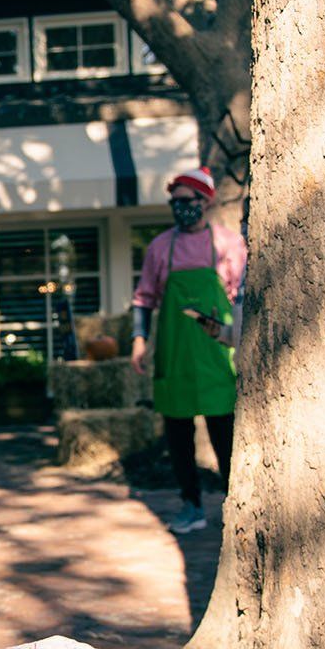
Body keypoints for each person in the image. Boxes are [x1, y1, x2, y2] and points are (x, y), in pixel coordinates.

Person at [129, 168, 246, 535]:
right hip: (174, 352)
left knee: (223, 432)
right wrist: (139, 339)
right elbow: (144, 298)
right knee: (178, 435)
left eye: (187, 201)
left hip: (216, 352)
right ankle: (191, 504)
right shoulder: (161, 246)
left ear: (205, 202)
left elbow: (241, 297)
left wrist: (236, 339)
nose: (181, 208)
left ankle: (235, 504)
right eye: (175, 202)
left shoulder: (228, 243)